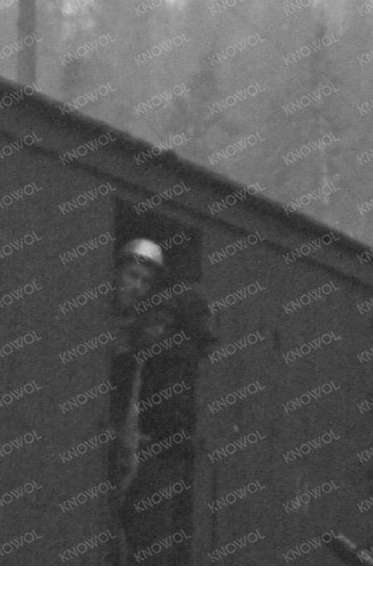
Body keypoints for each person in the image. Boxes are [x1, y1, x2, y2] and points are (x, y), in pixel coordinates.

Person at [106, 237, 216, 564]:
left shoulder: (150, 331)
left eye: (145, 281)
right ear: (116, 273)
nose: (137, 286)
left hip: (146, 445)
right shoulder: (102, 320)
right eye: (131, 276)